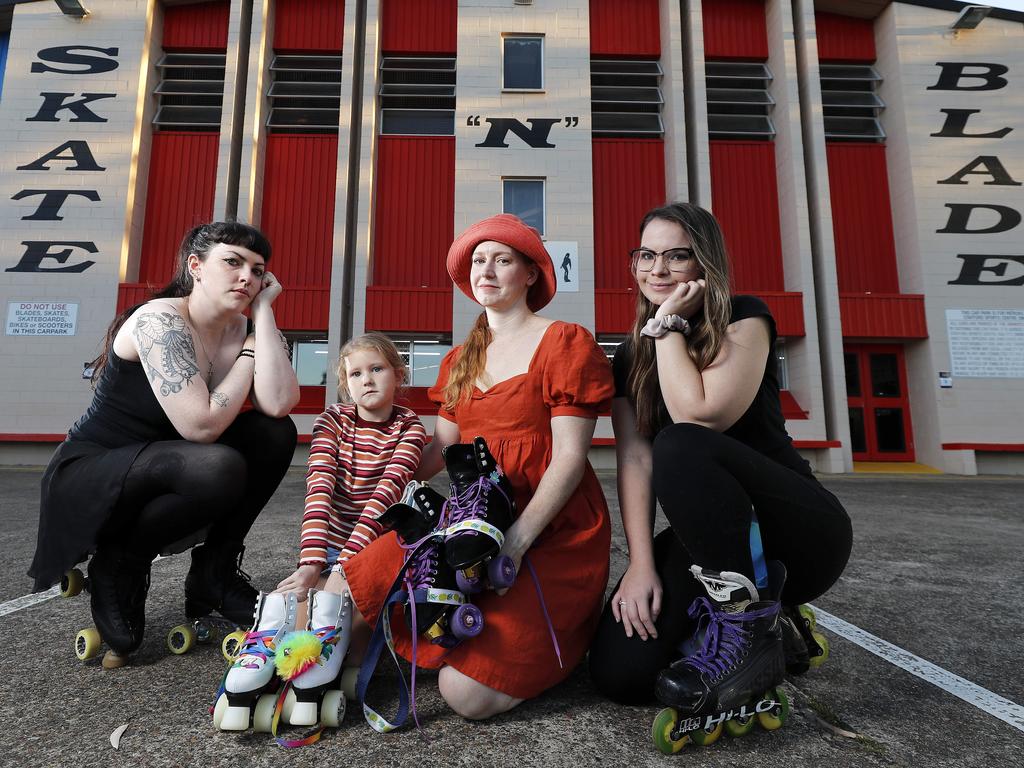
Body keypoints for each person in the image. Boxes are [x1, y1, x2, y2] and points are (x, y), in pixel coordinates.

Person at [333, 213, 614, 720]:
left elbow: (570, 458)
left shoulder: (565, 342)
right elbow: (439, 453)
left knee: (465, 696)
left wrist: (517, 541)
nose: (486, 270)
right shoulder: (460, 358)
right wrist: (367, 459)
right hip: (469, 516)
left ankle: (559, 644)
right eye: (478, 261)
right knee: (346, 584)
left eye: (502, 260)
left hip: (546, 527)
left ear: (530, 274)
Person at [588, 202, 852, 705]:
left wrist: (667, 326)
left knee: (682, 442)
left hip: (797, 532)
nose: (657, 269)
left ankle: (751, 631)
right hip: (716, 539)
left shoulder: (743, 317)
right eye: (646, 255)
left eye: (676, 256)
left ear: (705, 263)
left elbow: (699, 415)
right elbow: (636, 462)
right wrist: (640, 564)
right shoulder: (629, 356)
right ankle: (770, 621)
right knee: (620, 674)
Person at [28, 221, 300, 666]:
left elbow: (280, 404)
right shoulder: (159, 321)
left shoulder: (246, 327)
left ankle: (215, 572)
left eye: (257, 270)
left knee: (273, 435)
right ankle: (120, 563)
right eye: (232, 262)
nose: (247, 278)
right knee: (217, 464)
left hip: (176, 465)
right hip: (97, 470)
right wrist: (251, 355)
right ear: (196, 266)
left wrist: (264, 317)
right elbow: (202, 427)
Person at [274, 332, 427, 600]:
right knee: (296, 605)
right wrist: (312, 561)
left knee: (350, 612)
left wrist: (345, 568)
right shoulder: (332, 420)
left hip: (379, 541)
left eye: (376, 369)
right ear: (347, 384)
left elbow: (384, 499)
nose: (366, 379)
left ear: (399, 376)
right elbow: (319, 490)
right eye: (355, 374)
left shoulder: (410, 429)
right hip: (330, 543)